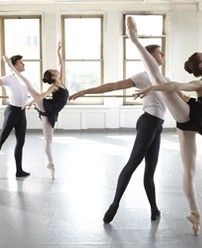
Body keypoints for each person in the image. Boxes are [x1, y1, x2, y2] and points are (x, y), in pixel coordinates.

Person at [128, 8, 202, 235]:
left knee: (189, 170)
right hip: (188, 115)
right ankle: (134, 40)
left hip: (199, 121)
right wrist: (154, 87)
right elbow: (176, 87)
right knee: (159, 78)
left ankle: (193, 213)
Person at [69, 45, 169, 223]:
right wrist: (85, 91)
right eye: (159, 52)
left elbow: (183, 99)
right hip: (148, 123)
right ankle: (114, 204)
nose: (163, 54)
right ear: (150, 57)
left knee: (150, 172)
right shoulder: (143, 76)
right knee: (132, 164)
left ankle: (154, 209)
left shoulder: (165, 79)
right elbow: (113, 86)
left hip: (157, 125)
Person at [4, 42, 69, 179]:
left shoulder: (60, 80)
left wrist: (58, 51)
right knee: (28, 86)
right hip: (46, 106)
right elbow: (42, 95)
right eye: (53, 70)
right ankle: (11, 68)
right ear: (52, 76)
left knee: (48, 140)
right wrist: (31, 103)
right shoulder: (55, 86)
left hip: (51, 113)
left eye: (54, 69)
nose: (55, 69)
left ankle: (50, 164)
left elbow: (61, 65)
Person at [0, 55, 31, 178]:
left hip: (22, 113)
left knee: (21, 142)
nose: (23, 64)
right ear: (14, 65)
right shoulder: (7, 78)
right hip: (12, 111)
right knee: (1, 139)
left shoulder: (23, 79)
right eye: (21, 63)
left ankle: (19, 171)